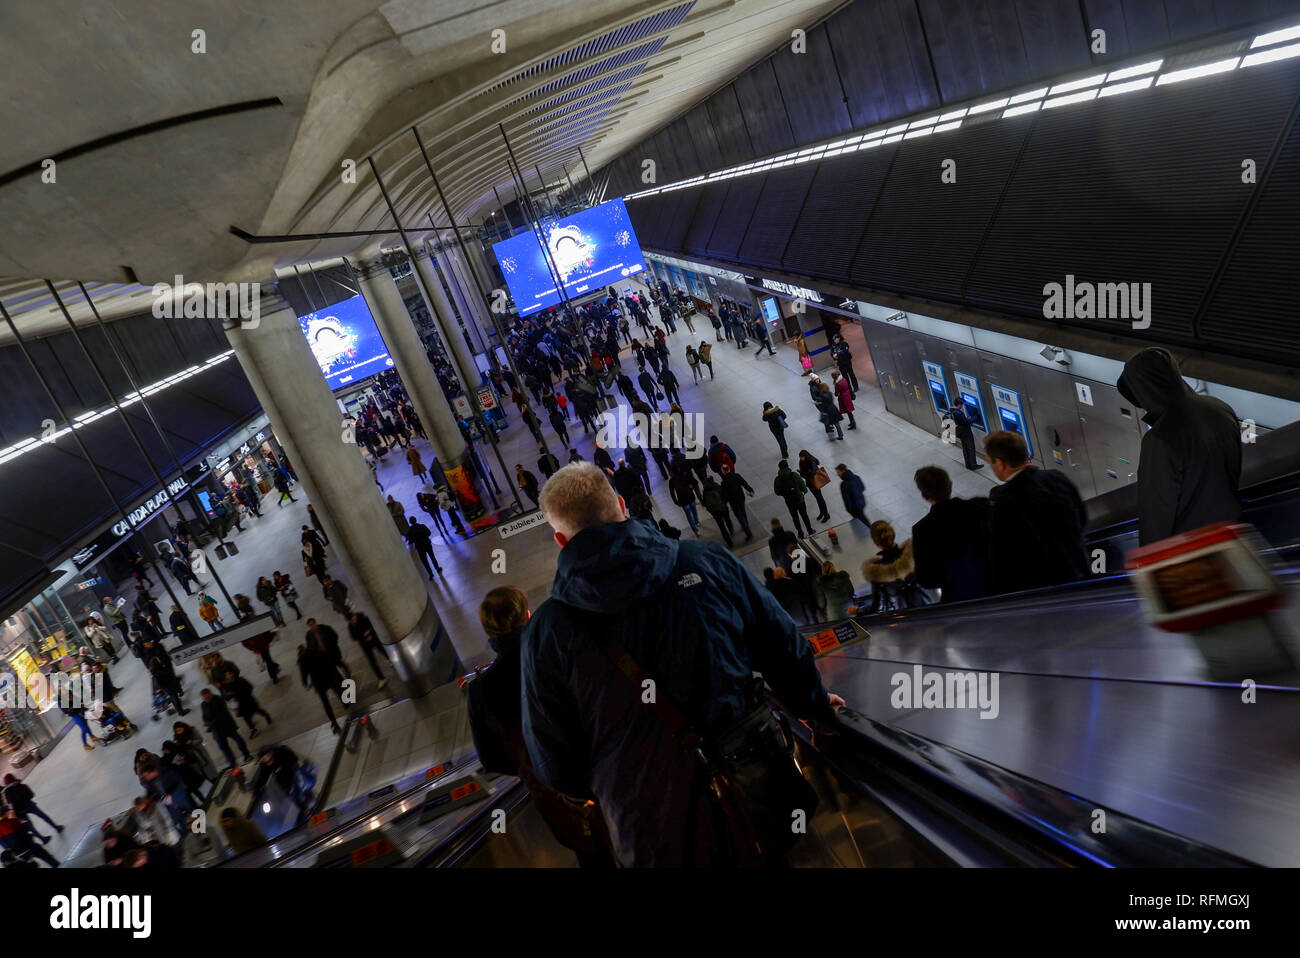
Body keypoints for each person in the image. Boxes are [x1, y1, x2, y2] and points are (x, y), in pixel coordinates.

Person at [521, 463, 843, 867]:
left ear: (561, 540)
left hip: (652, 833)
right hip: (757, 796)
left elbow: (554, 763)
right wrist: (813, 707)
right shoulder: (706, 561)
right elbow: (782, 648)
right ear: (621, 505)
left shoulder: (547, 632)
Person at [468, 586, 615, 867]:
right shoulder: (558, 649)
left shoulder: (481, 692)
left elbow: (491, 758)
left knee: (592, 855)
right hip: (606, 777)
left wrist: (534, 764)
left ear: (489, 632)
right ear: (527, 614)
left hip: (557, 800)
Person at [1116, 347, 1242, 545]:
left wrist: (1150, 557)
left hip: (1192, 546)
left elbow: (1157, 511)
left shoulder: (1160, 439)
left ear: (1144, 391)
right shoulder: (1220, 408)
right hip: (1230, 532)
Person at [984, 430, 1088, 594]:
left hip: (1045, 589)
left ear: (1001, 463)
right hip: (1080, 570)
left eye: (990, 462)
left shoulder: (1003, 503)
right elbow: (1082, 517)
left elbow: (1002, 558)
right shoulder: (1056, 477)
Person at [911, 465, 992, 603]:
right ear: (950, 484)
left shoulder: (922, 530)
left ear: (924, 495)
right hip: (994, 583)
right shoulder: (980, 506)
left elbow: (926, 580)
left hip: (959, 598)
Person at [860, 521, 926, 613]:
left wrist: (858, 610)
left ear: (875, 542)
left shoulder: (876, 572)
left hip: (903, 616)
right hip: (926, 606)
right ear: (893, 534)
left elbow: (878, 607)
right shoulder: (913, 552)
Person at [299, 634, 348, 734]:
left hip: (318, 683)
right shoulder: (313, 652)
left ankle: (334, 722)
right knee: (337, 690)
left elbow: (304, 674)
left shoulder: (302, 660)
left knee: (326, 703)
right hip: (326, 676)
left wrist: (305, 683)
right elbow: (325, 658)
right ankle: (345, 702)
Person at [200, 688, 252, 769]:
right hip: (216, 730)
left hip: (226, 725)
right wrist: (206, 721)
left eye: (207, 697)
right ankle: (232, 762)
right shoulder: (203, 704)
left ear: (210, 694)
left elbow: (221, 714)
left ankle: (246, 754)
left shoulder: (218, 700)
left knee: (238, 739)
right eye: (204, 698)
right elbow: (204, 716)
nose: (206, 699)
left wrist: (210, 723)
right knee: (223, 747)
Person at [2, 775, 63, 840]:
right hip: (29, 806)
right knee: (43, 816)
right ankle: (56, 828)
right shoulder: (22, 786)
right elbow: (31, 795)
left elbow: (10, 803)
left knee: (30, 826)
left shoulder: (7, 792)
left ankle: (42, 839)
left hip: (19, 812)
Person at [346, 611, 390, 687]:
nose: (353, 620)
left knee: (382, 650)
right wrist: (362, 636)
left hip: (373, 639)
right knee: (372, 661)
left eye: (353, 618)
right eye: (351, 620)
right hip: (365, 644)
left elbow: (371, 626)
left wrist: (369, 633)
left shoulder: (363, 618)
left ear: (355, 615)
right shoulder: (350, 626)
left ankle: (390, 659)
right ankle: (381, 678)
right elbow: (353, 637)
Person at [773, 459, 813, 537]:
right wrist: (804, 491)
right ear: (787, 466)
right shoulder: (794, 475)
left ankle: (800, 533)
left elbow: (777, 492)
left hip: (789, 501)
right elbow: (802, 485)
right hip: (799, 499)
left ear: (779, 468)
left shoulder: (777, 479)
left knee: (795, 517)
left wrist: (784, 494)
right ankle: (810, 530)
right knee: (804, 515)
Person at [717, 463, 754, 541]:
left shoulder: (724, 482)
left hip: (733, 502)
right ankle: (746, 525)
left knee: (739, 516)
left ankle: (748, 531)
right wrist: (750, 490)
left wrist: (724, 502)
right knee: (743, 512)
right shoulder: (736, 476)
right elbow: (744, 483)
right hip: (741, 498)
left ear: (723, 471)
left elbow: (724, 495)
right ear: (729, 469)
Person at [945, 399, 981, 470]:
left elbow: (960, 421)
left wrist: (966, 419)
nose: (962, 406)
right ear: (959, 404)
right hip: (965, 432)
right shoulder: (958, 412)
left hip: (957, 431)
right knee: (970, 447)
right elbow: (966, 422)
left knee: (965, 448)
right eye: (962, 405)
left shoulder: (951, 410)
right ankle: (973, 465)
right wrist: (976, 417)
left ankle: (968, 464)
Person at [797, 450, 831, 524]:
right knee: (817, 498)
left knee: (820, 498)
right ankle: (822, 512)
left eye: (801, 457)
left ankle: (826, 514)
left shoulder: (811, 461)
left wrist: (803, 473)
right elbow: (804, 475)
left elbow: (812, 473)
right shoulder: (801, 462)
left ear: (805, 456)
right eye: (800, 457)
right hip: (809, 483)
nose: (800, 458)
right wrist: (805, 473)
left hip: (815, 482)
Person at [668, 468, 701, 536]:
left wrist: (675, 501)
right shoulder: (685, 475)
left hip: (682, 500)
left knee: (689, 515)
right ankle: (697, 521)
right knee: (694, 509)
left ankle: (696, 530)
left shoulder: (672, 481)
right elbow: (695, 482)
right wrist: (692, 488)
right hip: (690, 496)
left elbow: (672, 493)